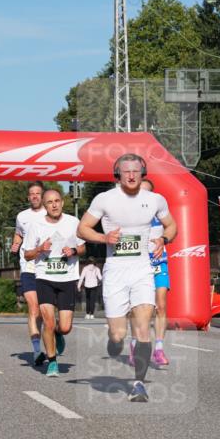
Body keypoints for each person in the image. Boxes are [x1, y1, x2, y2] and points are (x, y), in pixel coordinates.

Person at [78, 153, 177, 402]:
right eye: (126, 171)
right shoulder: (105, 199)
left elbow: (172, 226)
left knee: (143, 327)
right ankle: (114, 341)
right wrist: (104, 238)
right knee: (118, 335)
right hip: (115, 272)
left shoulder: (155, 199)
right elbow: (82, 228)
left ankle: (138, 385)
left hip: (142, 269)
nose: (131, 175)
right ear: (118, 174)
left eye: (136, 170)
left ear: (142, 173)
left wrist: (163, 239)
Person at [22, 189, 86, 377]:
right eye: (50, 202)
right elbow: (27, 254)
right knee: (48, 323)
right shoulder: (37, 225)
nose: (54, 205)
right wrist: (40, 249)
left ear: (62, 202)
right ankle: (52, 362)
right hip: (44, 278)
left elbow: (83, 247)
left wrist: (73, 251)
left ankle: (58, 334)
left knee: (65, 327)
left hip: (67, 278)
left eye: (57, 201)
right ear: (44, 205)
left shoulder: (73, 222)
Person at [10, 182, 47, 363]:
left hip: (47, 267)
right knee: (34, 308)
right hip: (28, 265)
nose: (34, 196)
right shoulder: (22, 216)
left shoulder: (51, 213)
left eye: (37, 193)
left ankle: (54, 333)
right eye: (31, 194)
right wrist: (15, 244)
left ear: (43, 195)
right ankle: (37, 350)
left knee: (45, 310)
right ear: (28, 197)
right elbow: (19, 234)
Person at [139, 179, 170, 365]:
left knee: (161, 305)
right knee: (142, 308)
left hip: (159, 261)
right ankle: (136, 343)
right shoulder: (129, 214)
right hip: (139, 264)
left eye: (147, 192)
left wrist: (164, 239)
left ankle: (158, 348)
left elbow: (173, 229)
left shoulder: (160, 211)